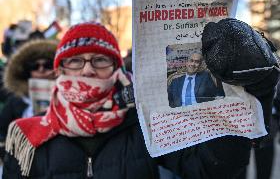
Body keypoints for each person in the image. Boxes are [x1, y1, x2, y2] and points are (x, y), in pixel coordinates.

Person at [3, 22, 252, 179]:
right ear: (61, 71)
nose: (88, 71)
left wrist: (239, 99)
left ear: (117, 68)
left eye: (100, 60)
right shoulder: (27, 137)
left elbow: (211, 169)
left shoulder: (145, 121)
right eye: (75, 61)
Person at [0, 40, 57, 164]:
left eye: (47, 65)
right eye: (34, 66)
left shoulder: (71, 98)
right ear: (27, 72)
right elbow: (2, 133)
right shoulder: (14, 103)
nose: (41, 70)